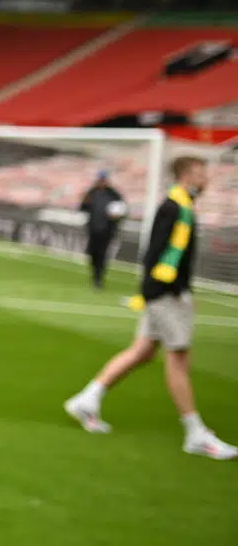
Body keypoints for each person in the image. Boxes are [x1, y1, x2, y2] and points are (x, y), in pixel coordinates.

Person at [63, 156, 236, 459]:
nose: (205, 179)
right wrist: (173, 291)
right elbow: (157, 253)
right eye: (200, 173)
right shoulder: (173, 207)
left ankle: (87, 399)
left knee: (143, 351)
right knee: (179, 360)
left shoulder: (180, 206)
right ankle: (196, 433)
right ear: (186, 175)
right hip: (164, 294)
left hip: (161, 291)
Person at [78, 170, 125, 289]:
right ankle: (95, 275)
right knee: (93, 253)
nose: (101, 182)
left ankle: (99, 278)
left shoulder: (114, 194)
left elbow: (122, 211)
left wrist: (116, 218)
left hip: (107, 231)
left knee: (102, 254)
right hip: (93, 229)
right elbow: (83, 208)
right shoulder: (92, 192)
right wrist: (84, 201)